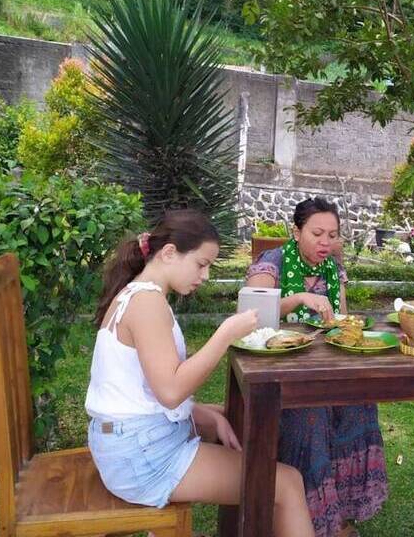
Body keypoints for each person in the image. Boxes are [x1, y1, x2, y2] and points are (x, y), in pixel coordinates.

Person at [85, 209, 314, 537]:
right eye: (201, 264)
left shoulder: (138, 294)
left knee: (238, 418)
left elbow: (143, 390)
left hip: (129, 442)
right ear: (169, 253)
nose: (204, 275)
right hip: (141, 456)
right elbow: (170, 390)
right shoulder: (147, 304)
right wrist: (224, 335)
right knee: (288, 484)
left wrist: (202, 414)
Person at [247, 197, 389, 537]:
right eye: (317, 233)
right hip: (280, 372)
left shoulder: (333, 268)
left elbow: (338, 320)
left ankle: (341, 513)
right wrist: (297, 299)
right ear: (296, 232)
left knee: (361, 404)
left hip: (327, 365)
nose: (326, 242)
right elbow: (250, 313)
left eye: (333, 235)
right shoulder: (273, 263)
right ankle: (307, 514)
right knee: (312, 417)